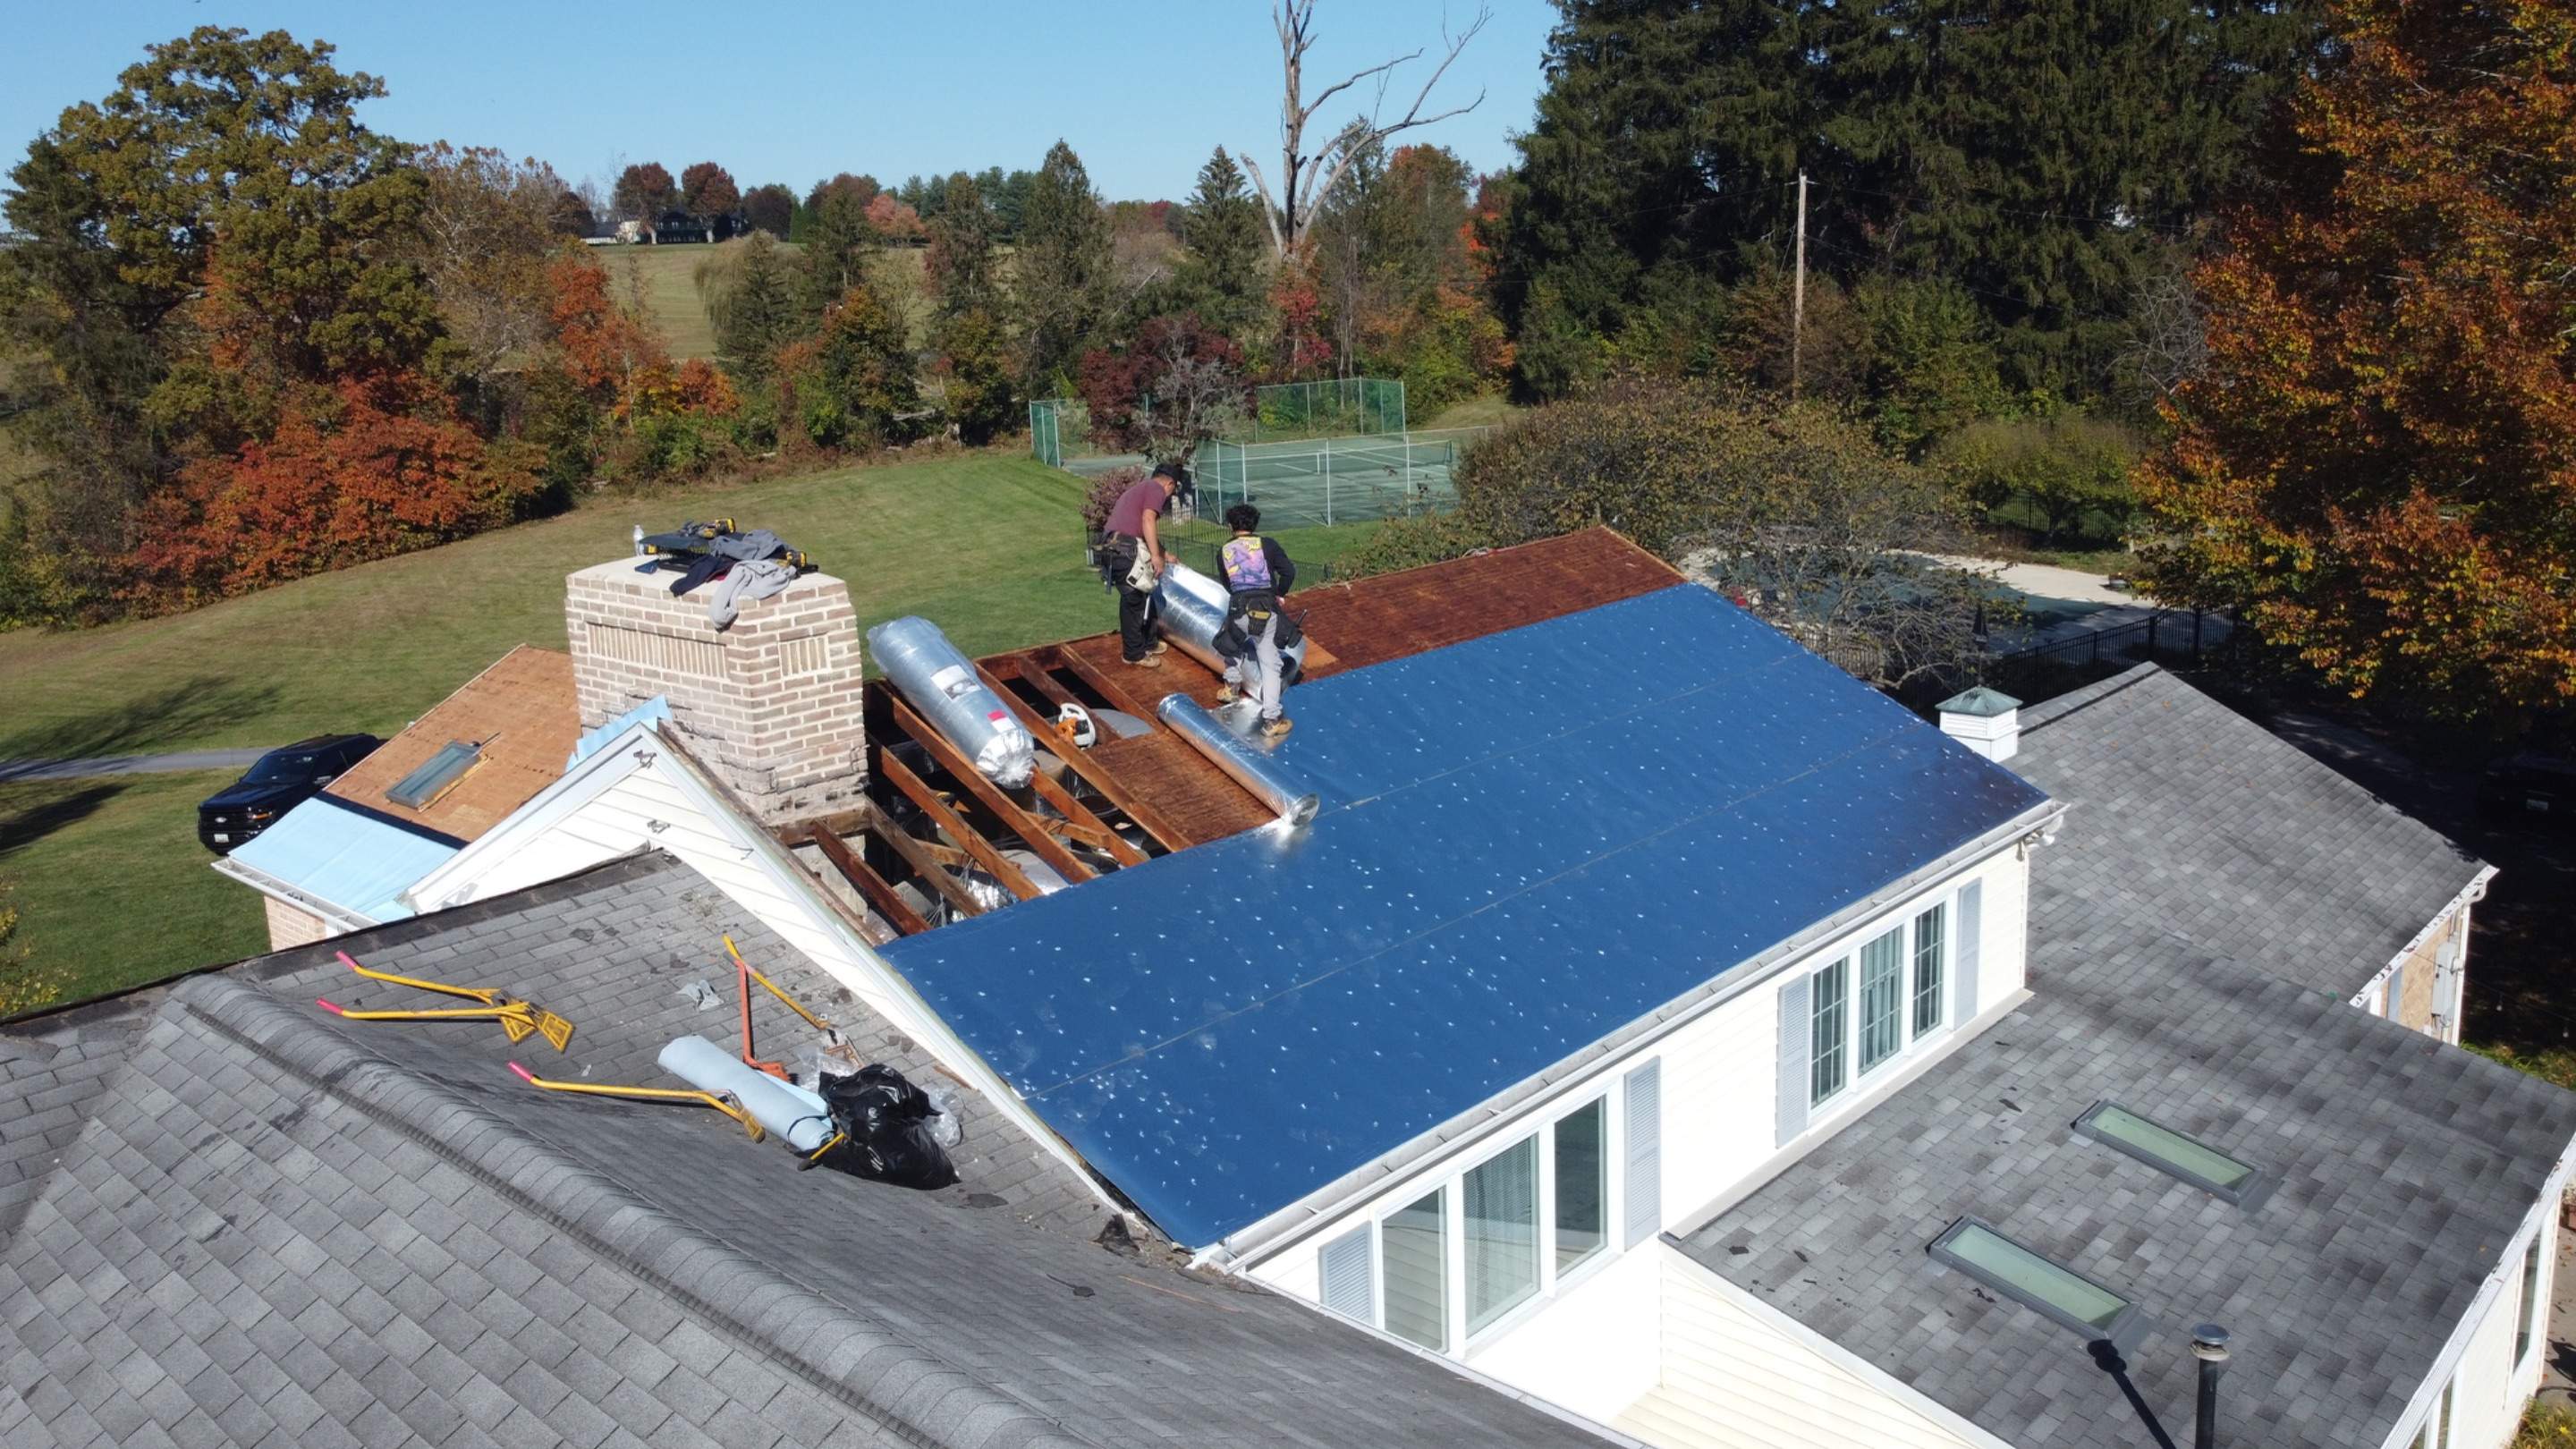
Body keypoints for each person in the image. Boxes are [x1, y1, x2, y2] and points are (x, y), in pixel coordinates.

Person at [1213, 503, 1298, 740]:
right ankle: (1272, 719)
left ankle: (1231, 687)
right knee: (1270, 664)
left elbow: (1228, 584)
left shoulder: (1224, 551)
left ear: (1231, 526)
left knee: (1231, 641)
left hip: (1239, 608)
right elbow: (1289, 571)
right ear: (1254, 525)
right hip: (1265, 611)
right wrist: (1279, 593)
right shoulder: (1267, 545)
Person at [1100, 462, 1188, 667]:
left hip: (1115, 547)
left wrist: (1165, 554)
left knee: (1142, 595)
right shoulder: (1155, 489)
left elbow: (1140, 526)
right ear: (1170, 484)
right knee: (1134, 601)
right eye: (1172, 491)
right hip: (1124, 549)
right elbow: (1148, 520)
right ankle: (1134, 654)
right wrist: (1156, 557)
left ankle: (1149, 642)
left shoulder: (1139, 489)